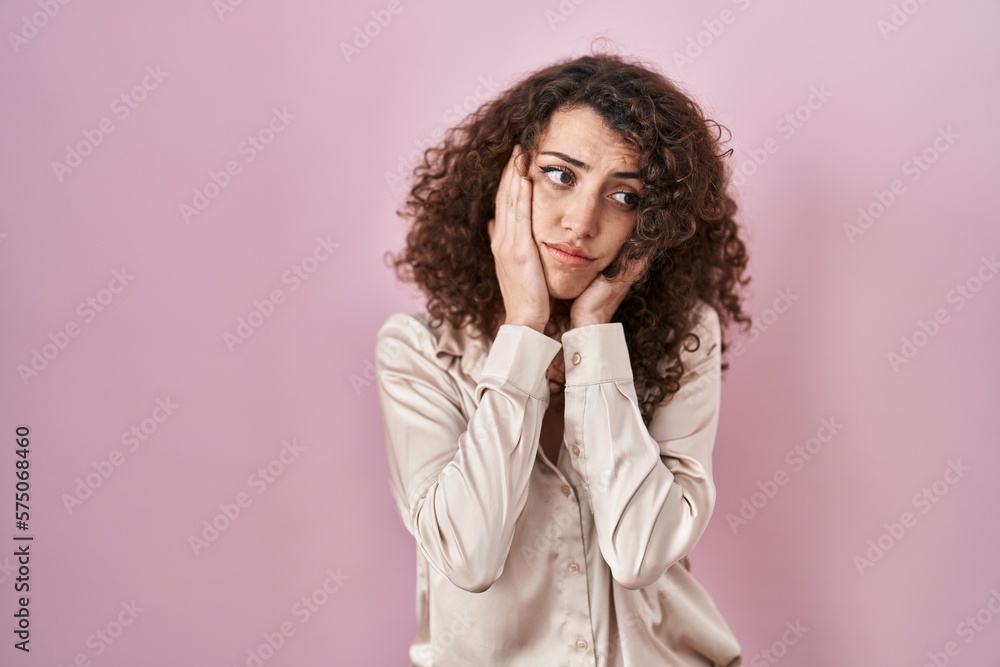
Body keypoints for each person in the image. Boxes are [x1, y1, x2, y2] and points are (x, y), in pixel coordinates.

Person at [375, 51, 752, 666]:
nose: (581, 222)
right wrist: (524, 328)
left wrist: (594, 333)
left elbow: (640, 554)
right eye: (560, 175)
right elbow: (468, 558)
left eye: (625, 197)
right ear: (505, 182)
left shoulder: (687, 336)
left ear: (654, 223)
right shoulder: (418, 351)